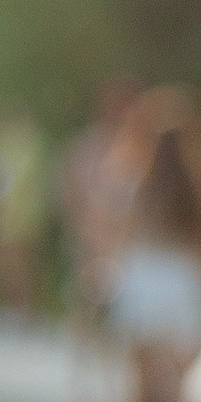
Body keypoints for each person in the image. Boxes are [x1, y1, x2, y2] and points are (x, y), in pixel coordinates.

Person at [103, 85, 201, 402]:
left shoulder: (139, 178)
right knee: (178, 384)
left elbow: (122, 229)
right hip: (185, 282)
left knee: (143, 382)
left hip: (146, 278)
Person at [58, 75, 142, 334]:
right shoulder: (87, 146)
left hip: (128, 241)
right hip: (90, 237)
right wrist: (83, 225)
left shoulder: (142, 149)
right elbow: (70, 189)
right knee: (87, 298)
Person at [0, 111, 50, 316]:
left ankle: (25, 309)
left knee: (22, 263)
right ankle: (5, 308)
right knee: (2, 263)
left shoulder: (28, 146)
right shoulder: (2, 145)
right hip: (6, 215)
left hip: (21, 216)